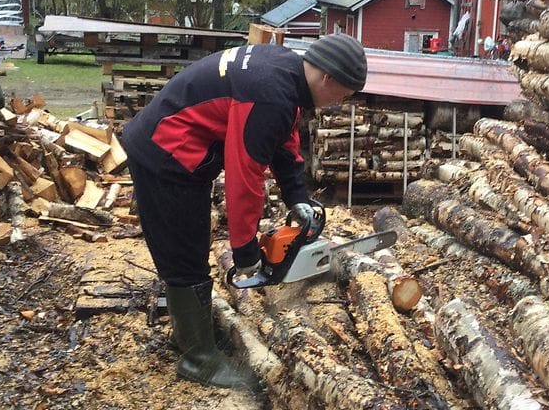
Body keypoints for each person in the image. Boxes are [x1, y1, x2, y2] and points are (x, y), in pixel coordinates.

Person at [120, 34, 368, 390]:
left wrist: (297, 195)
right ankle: (198, 359)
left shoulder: (284, 72)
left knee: (187, 247)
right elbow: (244, 174)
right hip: (165, 152)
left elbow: (283, 139)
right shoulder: (270, 94)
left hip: (180, 146)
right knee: (185, 252)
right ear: (328, 79)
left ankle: (190, 337)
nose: (337, 103)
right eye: (342, 95)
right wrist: (245, 250)